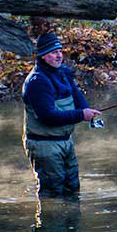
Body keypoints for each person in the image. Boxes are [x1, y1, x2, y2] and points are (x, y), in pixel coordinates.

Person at [22, 31, 101, 197]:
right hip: (44, 145)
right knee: (53, 194)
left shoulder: (63, 72)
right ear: (43, 56)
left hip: (65, 141)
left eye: (60, 51)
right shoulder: (37, 82)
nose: (59, 56)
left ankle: (72, 222)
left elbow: (76, 94)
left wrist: (88, 112)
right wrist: (81, 115)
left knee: (72, 188)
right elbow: (48, 117)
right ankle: (50, 223)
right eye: (53, 52)